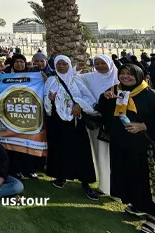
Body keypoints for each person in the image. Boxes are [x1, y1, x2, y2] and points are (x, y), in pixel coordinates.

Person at [98, 64, 155, 233]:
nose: (125, 77)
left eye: (130, 74)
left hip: (146, 148)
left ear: (139, 75)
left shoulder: (151, 95)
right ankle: (139, 205)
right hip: (124, 146)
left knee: (150, 183)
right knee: (131, 178)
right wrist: (105, 98)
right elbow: (106, 114)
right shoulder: (117, 91)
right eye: (122, 74)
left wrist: (143, 125)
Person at [44, 55, 99, 200]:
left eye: (64, 64)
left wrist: (79, 105)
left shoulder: (76, 80)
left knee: (81, 151)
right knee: (60, 149)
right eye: (58, 64)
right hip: (58, 121)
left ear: (69, 65)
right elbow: (46, 100)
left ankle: (86, 183)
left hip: (75, 121)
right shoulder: (51, 80)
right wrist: (50, 99)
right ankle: (61, 177)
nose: (61, 67)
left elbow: (88, 97)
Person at [80, 54, 118, 196]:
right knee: (100, 154)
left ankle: (116, 187)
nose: (100, 66)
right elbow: (70, 78)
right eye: (97, 63)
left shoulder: (119, 78)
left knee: (114, 156)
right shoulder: (90, 77)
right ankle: (104, 186)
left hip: (115, 124)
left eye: (103, 63)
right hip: (96, 122)